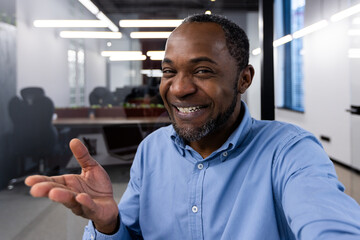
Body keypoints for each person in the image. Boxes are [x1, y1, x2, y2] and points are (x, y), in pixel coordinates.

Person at [25, 14, 360, 240]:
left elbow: (329, 224)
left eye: (202, 71)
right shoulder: (152, 150)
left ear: (243, 79)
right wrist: (108, 224)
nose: (179, 88)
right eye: (169, 71)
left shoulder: (289, 150)